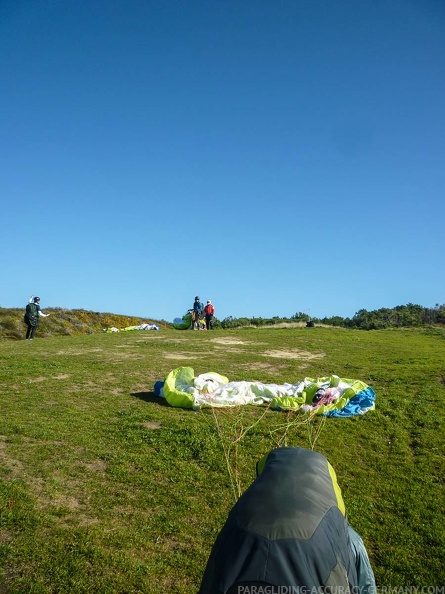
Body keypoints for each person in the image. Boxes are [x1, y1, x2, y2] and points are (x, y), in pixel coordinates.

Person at [199, 446, 376, 594]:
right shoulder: (345, 532)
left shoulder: (243, 513)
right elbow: (350, 580)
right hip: (311, 551)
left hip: (240, 545)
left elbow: (214, 579)